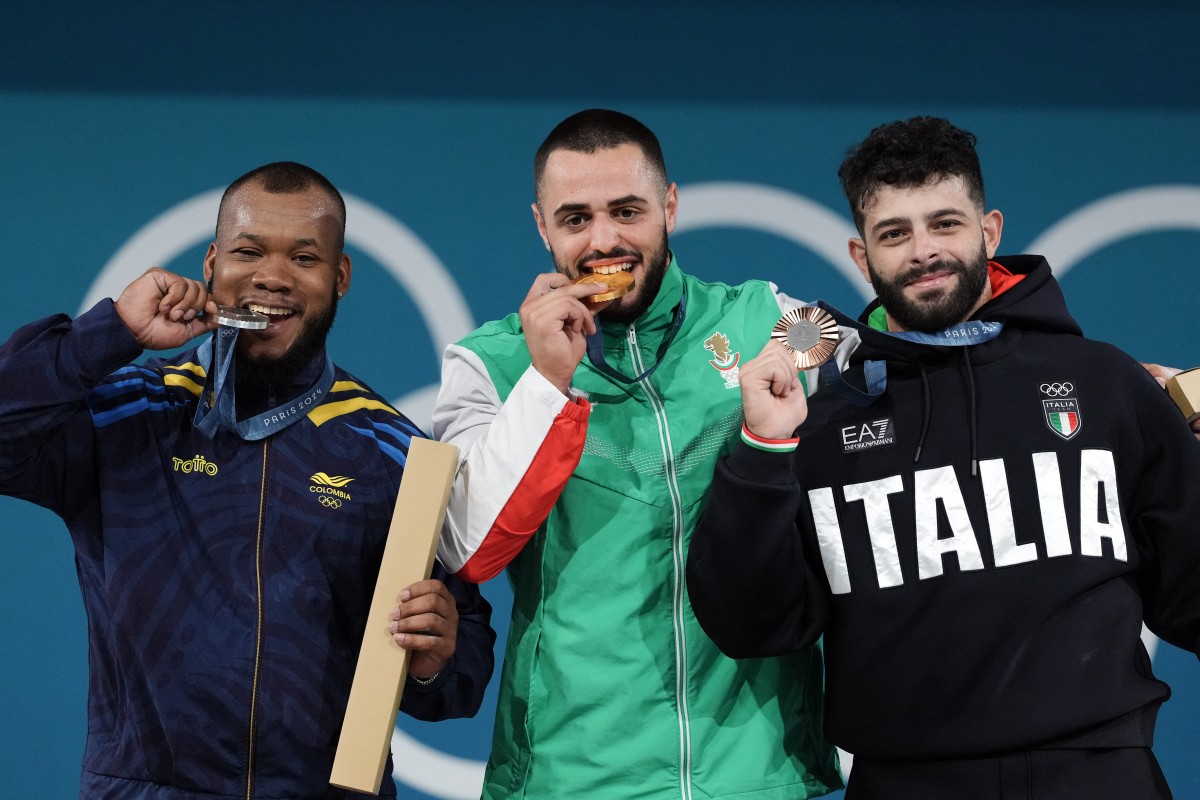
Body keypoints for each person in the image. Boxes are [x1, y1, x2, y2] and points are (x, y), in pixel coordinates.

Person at [686, 117, 1200, 799]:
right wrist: (761, 451)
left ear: (989, 232)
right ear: (860, 255)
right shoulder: (824, 422)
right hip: (904, 782)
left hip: (1098, 773)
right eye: (894, 233)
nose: (923, 251)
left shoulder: (1106, 385)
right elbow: (753, 625)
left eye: (945, 224)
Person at [0, 162, 494, 799]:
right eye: (248, 251)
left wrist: (437, 662)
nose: (273, 276)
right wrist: (111, 332)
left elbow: (462, 667)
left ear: (339, 278)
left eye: (305, 256)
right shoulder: (131, 414)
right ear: (211, 264)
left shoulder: (393, 452)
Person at [432, 109, 842, 799]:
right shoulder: (488, 364)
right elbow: (469, 549)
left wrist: (814, 351)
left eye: (627, 211)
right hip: (572, 776)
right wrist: (545, 383)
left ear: (670, 206)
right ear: (541, 225)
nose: (604, 241)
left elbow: (862, 340)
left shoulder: (758, 314)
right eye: (575, 219)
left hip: (756, 777)